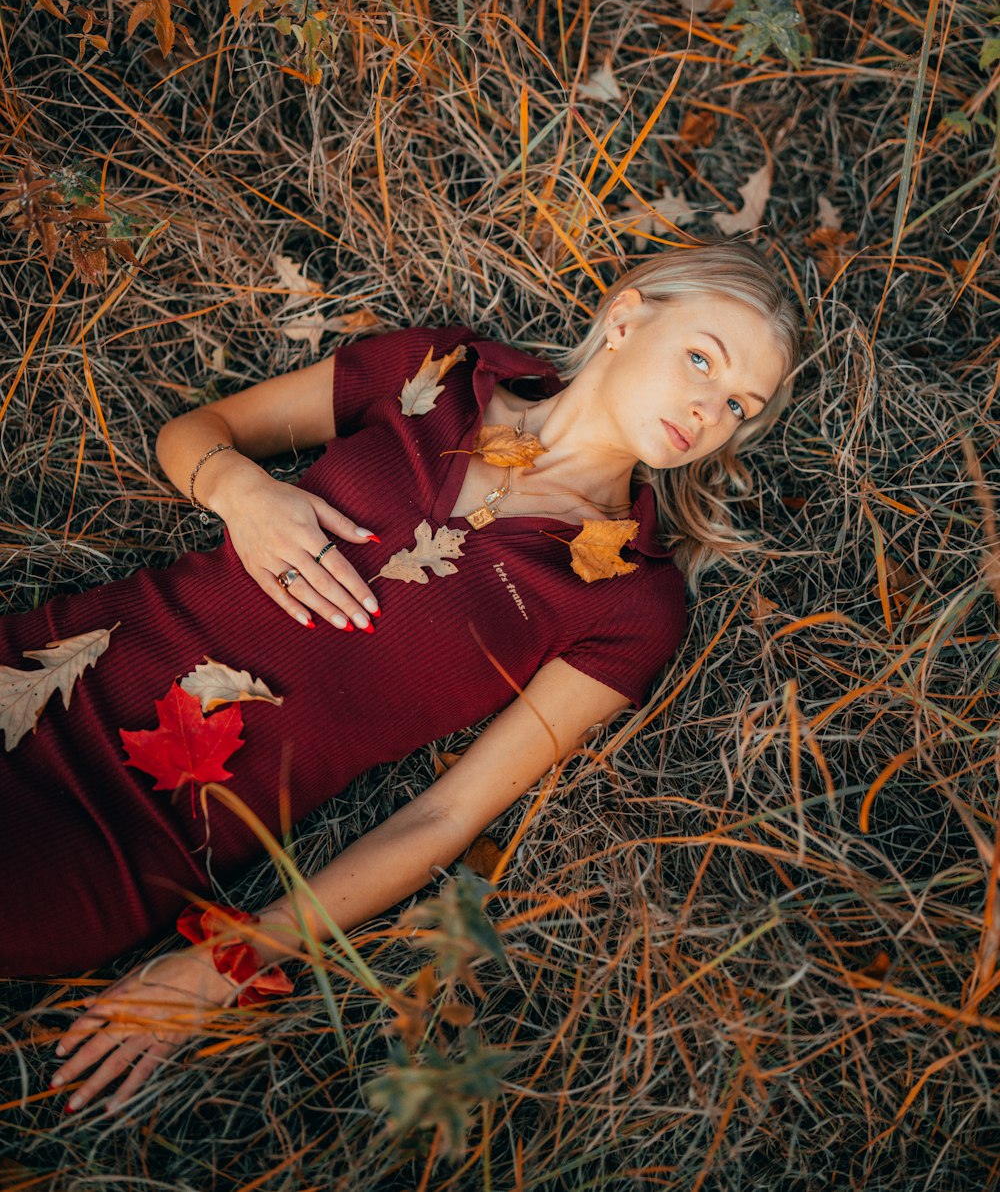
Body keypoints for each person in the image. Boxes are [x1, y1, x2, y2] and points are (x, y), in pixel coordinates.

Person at [1, 240, 798, 1114]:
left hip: (119, 840)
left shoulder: (630, 604)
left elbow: (445, 815)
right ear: (624, 316)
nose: (707, 409)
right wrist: (245, 494)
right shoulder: (439, 372)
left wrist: (237, 956)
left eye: (736, 404)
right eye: (699, 359)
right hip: (47, 667)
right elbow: (198, 433)